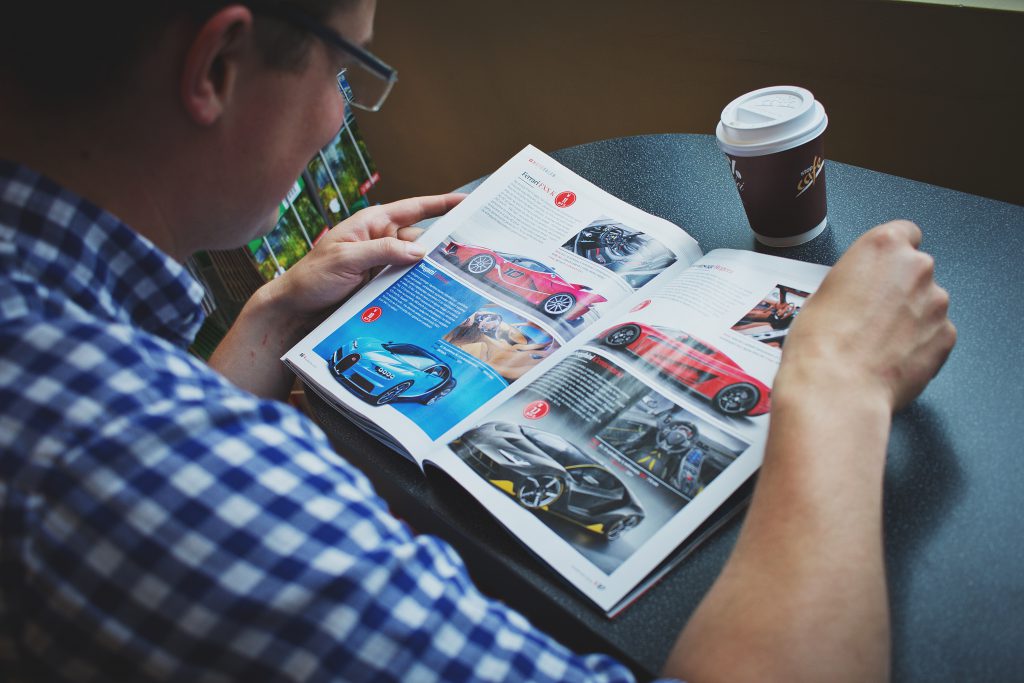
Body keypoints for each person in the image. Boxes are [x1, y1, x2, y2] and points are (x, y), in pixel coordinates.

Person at [0, 1, 955, 682]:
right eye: (346, 70)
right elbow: (162, 478)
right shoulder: (165, 478)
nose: (341, 112)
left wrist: (273, 318)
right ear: (216, 67)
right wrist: (835, 387)